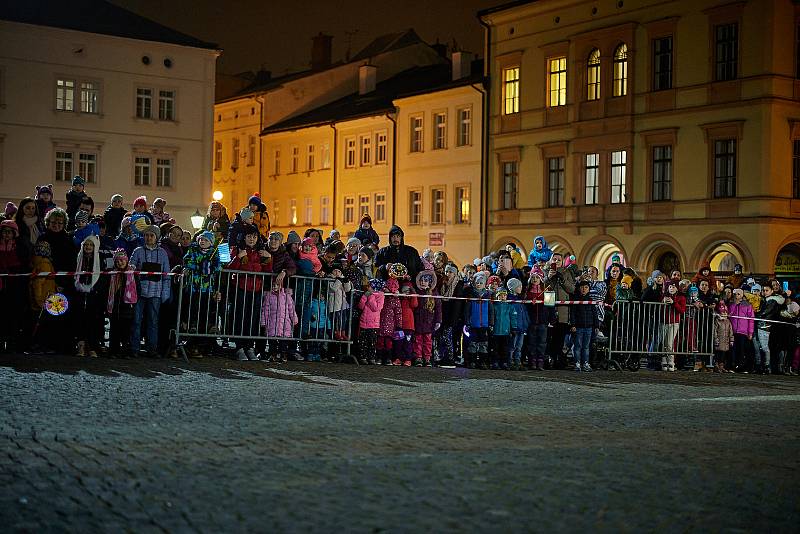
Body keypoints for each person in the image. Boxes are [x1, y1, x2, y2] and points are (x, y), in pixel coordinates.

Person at [228, 226, 271, 361]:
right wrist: (238, 257)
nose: (252, 239)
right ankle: (239, 347)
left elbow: (268, 271)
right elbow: (230, 268)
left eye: (254, 236)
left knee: (253, 319)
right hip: (241, 288)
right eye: (249, 236)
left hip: (256, 290)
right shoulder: (238, 250)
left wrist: (269, 258)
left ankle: (249, 346)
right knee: (240, 317)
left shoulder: (261, 252)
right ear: (244, 238)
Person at [129, 225, 171, 357]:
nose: (148, 238)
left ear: (156, 237)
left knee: (153, 321)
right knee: (136, 320)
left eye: (151, 235)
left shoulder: (163, 253)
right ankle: (134, 348)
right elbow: (131, 267)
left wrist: (165, 293)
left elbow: (166, 274)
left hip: (155, 292)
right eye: (146, 235)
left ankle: (152, 348)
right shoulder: (138, 251)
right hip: (140, 291)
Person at [182, 230, 222, 357]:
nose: (202, 242)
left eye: (205, 240)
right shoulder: (193, 250)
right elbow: (187, 261)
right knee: (193, 308)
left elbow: (218, 267)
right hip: (195, 287)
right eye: (201, 239)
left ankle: (203, 342)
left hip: (207, 288)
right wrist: (199, 266)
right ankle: (192, 329)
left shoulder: (214, 253)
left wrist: (209, 267)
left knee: (205, 310)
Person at [73, 235, 104, 357]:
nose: (88, 247)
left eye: (91, 245)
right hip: (79, 293)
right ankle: (80, 345)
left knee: (92, 321)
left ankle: (91, 346)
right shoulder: (78, 258)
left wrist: (95, 288)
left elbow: (102, 277)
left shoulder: (99, 260)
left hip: (93, 294)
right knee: (79, 320)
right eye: (86, 245)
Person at [544, 252, 575, 367]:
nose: (556, 262)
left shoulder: (566, 272)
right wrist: (548, 278)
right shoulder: (545, 271)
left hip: (563, 310)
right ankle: (548, 359)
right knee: (549, 336)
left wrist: (562, 280)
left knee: (560, 336)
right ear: (550, 260)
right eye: (554, 259)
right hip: (549, 306)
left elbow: (572, 289)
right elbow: (541, 287)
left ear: (562, 262)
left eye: (559, 260)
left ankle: (558, 359)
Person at [106, 249, 137, 357]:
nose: (120, 262)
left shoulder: (132, 273)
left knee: (126, 331)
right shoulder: (112, 274)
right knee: (114, 330)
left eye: (122, 260)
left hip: (127, 307)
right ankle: (113, 350)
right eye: (117, 261)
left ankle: (125, 351)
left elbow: (138, 289)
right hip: (115, 306)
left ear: (126, 260)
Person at [413, 270, 441, 367]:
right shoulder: (417, 292)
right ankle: (418, 357)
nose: (422, 282)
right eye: (421, 280)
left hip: (429, 321)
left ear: (429, 282)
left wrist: (438, 321)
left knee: (428, 341)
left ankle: (427, 358)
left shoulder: (434, 293)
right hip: (418, 320)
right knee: (418, 340)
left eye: (425, 280)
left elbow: (438, 308)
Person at [464, 271, 492, 369]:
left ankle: (482, 361)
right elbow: (467, 311)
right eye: (477, 283)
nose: (479, 284)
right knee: (473, 343)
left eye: (481, 283)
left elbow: (490, 311)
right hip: (473, 324)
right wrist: (467, 322)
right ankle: (472, 361)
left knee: (483, 344)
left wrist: (491, 323)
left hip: (484, 325)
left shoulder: (487, 296)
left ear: (484, 284)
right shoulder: (471, 296)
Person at [569, 280, 598, 372]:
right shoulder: (576, 300)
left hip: (589, 327)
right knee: (577, 346)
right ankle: (577, 363)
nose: (584, 289)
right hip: (578, 327)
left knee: (586, 346)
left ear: (589, 289)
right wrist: (573, 324)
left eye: (586, 287)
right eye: (582, 287)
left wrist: (596, 325)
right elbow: (572, 313)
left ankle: (585, 363)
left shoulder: (591, 300)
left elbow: (594, 313)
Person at [357, 278, 385, 365]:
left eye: (369, 286)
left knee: (372, 343)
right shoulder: (366, 295)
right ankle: (363, 357)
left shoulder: (380, 296)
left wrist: (371, 297)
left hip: (373, 324)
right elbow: (360, 306)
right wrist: (364, 297)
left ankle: (371, 357)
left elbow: (376, 308)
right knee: (363, 342)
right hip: (364, 322)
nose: (368, 287)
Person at [661, 280, 686, 372]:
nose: (672, 288)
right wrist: (662, 302)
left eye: (673, 287)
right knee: (664, 342)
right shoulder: (664, 296)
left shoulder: (681, 297)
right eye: (670, 287)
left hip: (674, 322)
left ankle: (671, 362)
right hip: (663, 321)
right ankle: (664, 361)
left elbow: (682, 310)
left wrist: (674, 303)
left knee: (669, 342)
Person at [377, 276, 402, 365]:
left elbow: (398, 312)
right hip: (379, 322)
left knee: (388, 342)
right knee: (380, 342)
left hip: (390, 324)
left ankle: (388, 358)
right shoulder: (381, 295)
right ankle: (379, 358)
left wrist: (399, 325)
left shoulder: (395, 299)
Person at [729, 288, 754, 373]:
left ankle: (742, 367)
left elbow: (751, 319)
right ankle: (733, 366)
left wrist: (750, 332)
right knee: (733, 350)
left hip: (743, 332)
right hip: (733, 331)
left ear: (742, 295)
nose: (737, 295)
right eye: (735, 294)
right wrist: (735, 305)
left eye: (739, 294)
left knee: (742, 350)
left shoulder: (747, 305)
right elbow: (730, 315)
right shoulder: (731, 304)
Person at [713, 301, 734, 373]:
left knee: (723, 354)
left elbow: (730, 331)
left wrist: (731, 340)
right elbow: (714, 331)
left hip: (726, 341)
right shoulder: (717, 321)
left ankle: (721, 366)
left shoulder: (728, 321)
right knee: (718, 353)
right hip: (719, 340)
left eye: (725, 313)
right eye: (723, 313)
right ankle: (716, 365)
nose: (724, 314)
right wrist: (716, 339)